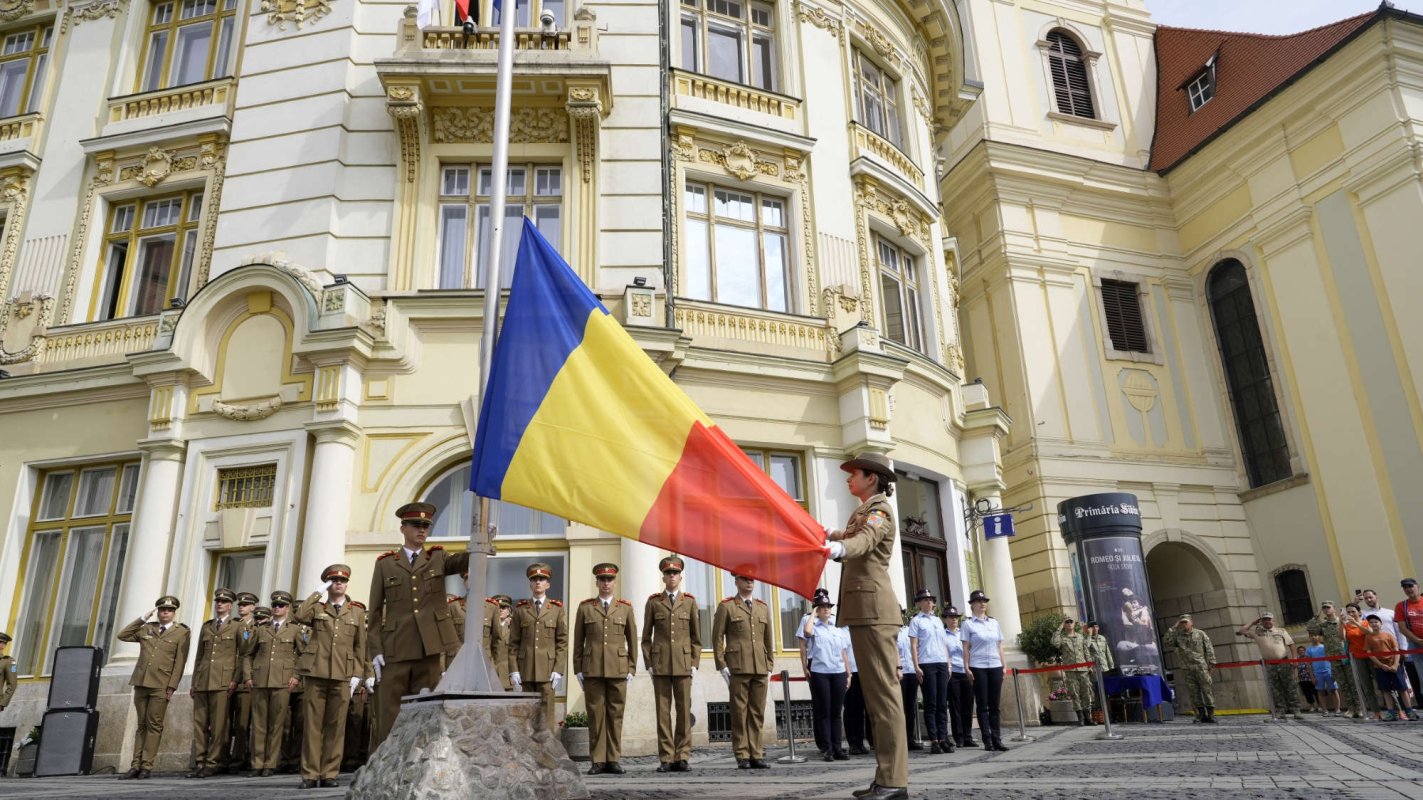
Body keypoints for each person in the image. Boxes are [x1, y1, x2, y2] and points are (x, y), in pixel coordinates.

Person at [823, 451, 909, 800]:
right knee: (876, 700)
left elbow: (865, 540)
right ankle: (885, 777)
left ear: (871, 478)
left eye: (853, 473)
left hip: (874, 612)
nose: (848, 478)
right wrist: (830, 534)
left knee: (884, 699)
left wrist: (839, 549)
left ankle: (894, 781)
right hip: (865, 612)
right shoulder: (864, 510)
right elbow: (852, 534)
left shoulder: (879, 510)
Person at [367, 502, 470, 749]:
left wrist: (480, 543)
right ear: (403, 528)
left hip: (429, 646)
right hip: (396, 647)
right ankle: (388, 759)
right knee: (390, 711)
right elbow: (375, 611)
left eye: (426, 526)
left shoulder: (437, 557)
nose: (422, 530)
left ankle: (423, 757)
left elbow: (461, 562)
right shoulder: (385, 564)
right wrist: (376, 650)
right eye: (416, 525)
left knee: (428, 709)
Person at [294, 564, 369, 789]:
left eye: (342, 581)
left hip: (343, 675)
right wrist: (318, 592)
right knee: (312, 726)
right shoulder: (318, 608)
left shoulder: (356, 612)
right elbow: (299, 614)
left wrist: (358, 674)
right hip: (316, 673)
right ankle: (310, 774)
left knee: (336, 727)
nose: (339, 583)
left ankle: (329, 773)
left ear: (347, 584)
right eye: (334, 580)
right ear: (328, 584)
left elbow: (360, 646)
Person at [573, 562, 638, 775]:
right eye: (602, 579)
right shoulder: (585, 608)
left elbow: (632, 640)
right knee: (595, 715)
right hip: (592, 668)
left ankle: (613, 759)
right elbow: (578, 641)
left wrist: (631, 668)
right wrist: (578, 668)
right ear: (597, 582)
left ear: (614, 582)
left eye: (609, 579)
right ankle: (598, 760)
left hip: (618, 669)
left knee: (615, 715)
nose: (606, 583)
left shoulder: (625, 608)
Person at [116, 595, 190, 779]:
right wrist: (143, 618)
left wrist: (172, 686)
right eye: (162, 610)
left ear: (174, 613)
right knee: (141, 725)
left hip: (161, 684)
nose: (166, 613)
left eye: (170, 610)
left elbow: (180, 662)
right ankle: (135, 765)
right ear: (158, 611)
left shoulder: (181, 632)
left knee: (154, 725)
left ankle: (147, 765)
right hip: (141, 682)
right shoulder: (147, 628)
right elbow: (122, 635)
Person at [641, 555, 700, 773]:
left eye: (675, 573)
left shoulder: (689, 602)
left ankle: (682, 756)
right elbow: (646, 637)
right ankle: (666, 757)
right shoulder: (654, 602)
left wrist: (694, 662)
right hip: (661, 665)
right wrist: (649, 663)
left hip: (683, 664)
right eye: (668, 573)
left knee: (684, 712)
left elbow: (696, 637)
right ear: (663, 578)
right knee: (663, 713)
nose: (672, 576)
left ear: (680, 577)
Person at [713, 572, 773, 770]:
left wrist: (769, 664)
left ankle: (756, 753)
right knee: (739, 713)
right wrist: (722, 665)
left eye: (752, 579)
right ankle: (742, 754)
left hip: (760, 666)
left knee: (757, 712)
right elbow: (717, 638)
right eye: (745, 579)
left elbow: (768, 638)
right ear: (736, 581)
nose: (749, 582)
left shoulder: (762, 607)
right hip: (738, 666)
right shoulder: (727, 606)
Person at [245, 592, 303, 778]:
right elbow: (248, 654)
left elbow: (303, 654)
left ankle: (270, 763)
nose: (277, 608)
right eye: (275, 605)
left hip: (282, 681)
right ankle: (257, 763)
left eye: (281, 605)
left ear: (287, 608)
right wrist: (248, 676)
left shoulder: (294, 629)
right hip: (260, 680)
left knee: (277, 725)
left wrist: (296, 676)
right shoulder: (262, 629)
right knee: (259, 724)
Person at [509, 562, 568, 732]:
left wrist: (558, 669)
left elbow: (562, 641)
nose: (538, 582)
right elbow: (513, 642)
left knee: (546, 715)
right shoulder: (521, 609)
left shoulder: (556, 609)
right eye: (534, 579)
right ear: (530, 584)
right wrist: (514, 670)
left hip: (548, 671)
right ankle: (529, 747)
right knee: (527, 716)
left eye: (542, 579)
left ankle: (547, 747)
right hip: (525, 670)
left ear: (548, 584)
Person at [190, 587, 241, 778]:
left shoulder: (236, 626)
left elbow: (241, 656)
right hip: (203, 680)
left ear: (230, 606)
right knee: (200, 724)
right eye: (218, 601)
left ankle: (213, 762)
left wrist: (234, 679)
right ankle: (200, 761)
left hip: (222, 681)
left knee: (219, 726)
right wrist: (194, 681)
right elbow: (199, 656)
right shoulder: (207, 626)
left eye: (224, 602)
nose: (220, 604)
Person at [803, 594, 850, 762]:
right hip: (820, 672)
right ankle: (827, 748)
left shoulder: (837, 629)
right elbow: (807, 632)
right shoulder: (814, 627)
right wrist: (813, 614)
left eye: (828, 607)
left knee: (836, 712)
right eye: (822, 607)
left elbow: (843, 652)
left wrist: (849, 673)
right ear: (817, 610)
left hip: (838, 672)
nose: (826, 609)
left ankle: (837, 747)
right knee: (825, 712)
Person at [961, 589, 1007, 751]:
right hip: (978, 666)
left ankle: (997, 739)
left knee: (995, 705)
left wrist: (1004, 665)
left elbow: (999, 646)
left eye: (984, 601)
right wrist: (966, 667)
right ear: (972, 605)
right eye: (979, 601)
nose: (982, 604)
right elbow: (965, 648)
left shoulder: (994, 623)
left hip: (995, 665)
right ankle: (987, 740)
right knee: (982, 705)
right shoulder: (968, 624)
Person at [908, 588, 952, 752]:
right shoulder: (916, 621)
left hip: (941, 662)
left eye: (931, 600)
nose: (929, 602)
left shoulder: (938, 620)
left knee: (942, 703)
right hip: (927, 663)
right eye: (925, 600)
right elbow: (913, 646)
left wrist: (948, 663)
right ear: (919, 604)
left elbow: (944, 644)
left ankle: (943, 738)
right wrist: (916, 666)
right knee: (931, 702)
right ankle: (934, 740)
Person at [1237, 612, 1300, 720]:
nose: (1267, 621)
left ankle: (1296, 710)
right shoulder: (1257, 633)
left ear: (1273, 620)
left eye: (1269, 619)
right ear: (1262, 621)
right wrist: (1253, 622)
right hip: (1269, 665)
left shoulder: (1281, 631)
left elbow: (1291, 644)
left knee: (1290, 687)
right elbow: (1241, 631)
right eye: (1265, 619)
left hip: (1283, 662)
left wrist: (1295, 659)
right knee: (1274, 689)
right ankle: (1280, 711)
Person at [1362, 589, 1415, 712]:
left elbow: (1399, 631)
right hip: (1377, 655)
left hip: (1395, 652)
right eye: (1366, 598)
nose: (1368, 600)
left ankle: (1407, 708)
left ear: (1376, 596)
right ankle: (1392, 710)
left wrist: (1403, 649)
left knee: (1401, 682)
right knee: (1385, 685)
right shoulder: (1364, 614)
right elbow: (1354, 617)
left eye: (1370, 597)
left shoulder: (1390, 612)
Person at [1307, 601, 1360, 718]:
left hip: (1346, 655)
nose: (1326, 610)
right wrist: (1317, 615)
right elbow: (1310, 629)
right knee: (1344, 684)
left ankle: (1359, 708)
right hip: (1333, 658)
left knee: (1353, 682)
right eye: (1324, 608)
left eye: (1328, 607)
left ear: (1334, 608)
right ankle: (1351, 709)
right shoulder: (1323, 625)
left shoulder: (1342, 620)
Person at [227, 591, 260, 774]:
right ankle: (228, 757)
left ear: (253, 607)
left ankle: (241, 758)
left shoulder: (258, 626)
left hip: (247, 680)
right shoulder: (233, 625)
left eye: (245, 605)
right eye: (240, 604)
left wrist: (244, 677)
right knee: (228, 722)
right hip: (229, 677)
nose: (241, 607)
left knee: (244, 722)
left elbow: (248, 655)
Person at [1162, 614, 1216, 723]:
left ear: (1191, 622)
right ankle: (1200, 714)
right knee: (1193, 692)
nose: (1184, 625)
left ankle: (1210, 714)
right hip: (1187, 668)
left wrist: (1211, 663)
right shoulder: (1178, 636)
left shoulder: (1200, 634)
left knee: (1206, 690)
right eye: (1182, 622)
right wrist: (1175, 627)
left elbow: (1209, 648)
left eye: (1186, 622)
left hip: (1200, 667)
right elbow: (1167, 641)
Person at [1051, 618, 1093, 727]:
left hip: (1083, 669)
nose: (1069, 624)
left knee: (1086, 692)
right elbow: (1055, 643)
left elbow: (1086, 651)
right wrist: (1059, 628)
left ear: (1074, 624)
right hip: (1071, 671)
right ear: (1064, 625)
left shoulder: (1080, 636)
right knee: (1075, 693)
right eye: (1067, 622)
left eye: (1071, 622)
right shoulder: (1062, 638)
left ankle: (1088, 717)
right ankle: (1080, 718)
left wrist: (1089, 665)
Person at [1342, 603, 1380, 718]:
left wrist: (1356, 623)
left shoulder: (1365, 622)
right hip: (1357, 657)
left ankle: (1394, 709)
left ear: (1359, 612)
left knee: (1381, 682)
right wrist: (1341, 623)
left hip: (1371, 656)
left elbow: (1369, 632)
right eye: (1348, 612)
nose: (1351, 614)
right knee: (1366, 686)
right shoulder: (1346, 625)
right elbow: (1342, 637)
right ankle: (1376, 712)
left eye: (1353, 611)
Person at [943, 607, 974, 747]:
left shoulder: (964, 633)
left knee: (968, 705)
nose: (954, 619)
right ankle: (959, 737)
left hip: (966, 671)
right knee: (955, 706)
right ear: (945, 619)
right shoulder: (943, 635)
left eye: (956, 617)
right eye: (951, 617)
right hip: (953, 672)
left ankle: (968, 736)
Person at [894, 607, 922, 751]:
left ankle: (910, 738)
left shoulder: (908, 631)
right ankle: (899, 740)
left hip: (911, 671)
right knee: (899, 707)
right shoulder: (891, 632)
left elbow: (916, 649)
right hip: (898, 672)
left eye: (901, 613)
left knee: (910, 707)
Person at [1395, 579, 1423, 701]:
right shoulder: (1401, 606)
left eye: (1410, 586)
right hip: (1415, 644)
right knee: (1422, 674)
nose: (1408, 589)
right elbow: (1402, 628)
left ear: (1418, 586)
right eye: (1405, 587)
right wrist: (1418, 640)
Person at [1083, 620, 1113, 720]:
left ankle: (1109, 714)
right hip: (1095, 670)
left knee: (1106, 690)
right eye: (1092, 627)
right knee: (1097, 692)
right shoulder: (1086, 639)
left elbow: (1107, 652)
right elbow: (1085, 648)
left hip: (1105, 668)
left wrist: (1111, 666)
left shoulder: (1102, 638)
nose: (1095, 629)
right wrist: (1089, 635)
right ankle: (1100, 714)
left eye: (1096, 626)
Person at [1305, 632, 1340, 717]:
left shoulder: (1325, 647)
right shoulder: (1309, 649)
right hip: (1317, 673)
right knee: (1320, 691)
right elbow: (1308, 664)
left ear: (1319, 637)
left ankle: (1337, 710)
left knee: (1333, 690)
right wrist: (1312, 676)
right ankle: (1325, 710)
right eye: (1311, 636)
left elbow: (1333, 659)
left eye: (1315, 635)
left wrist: (1334, 671)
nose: (1313, 637)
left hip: (1329, 672)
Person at [493, 594, 514, 689]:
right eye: (498, 607)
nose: (500, 610)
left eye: (503, 608)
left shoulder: (514, 628)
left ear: (509, 611)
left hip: (507, 677)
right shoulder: (486, 628)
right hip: (490, 676)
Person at [1294, 645, 1318, 712]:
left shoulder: (1309, 658)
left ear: (1305, 651)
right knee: (1307, 693)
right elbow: (1295, 668)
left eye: (1303, 650)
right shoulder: (1297, 660)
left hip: (1311, 678)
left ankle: (1320, 706)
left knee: (1316, 692)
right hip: (1303, 679)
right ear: (1298, 652)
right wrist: (1296, 677)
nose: (1301, 652)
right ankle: (1312, 706)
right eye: (1300, 651)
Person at [0, 631, 14, 713]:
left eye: (3, 643)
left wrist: (3, 703)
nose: (2, 645)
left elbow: (12, 684)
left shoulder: (10, 661)